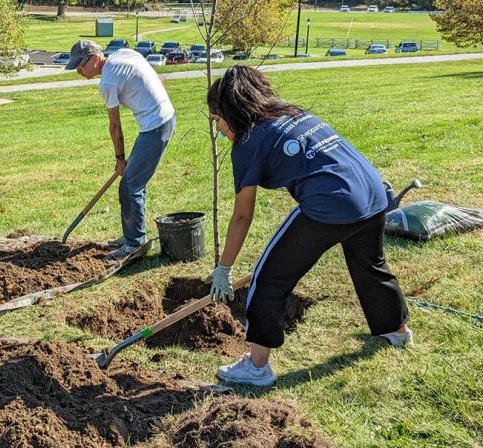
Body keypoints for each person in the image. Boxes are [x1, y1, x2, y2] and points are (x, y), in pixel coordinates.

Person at [206, 66, 412, 387]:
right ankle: (396, 331)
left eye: (216, 119)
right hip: (371, 190)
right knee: (370, 264)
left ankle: (257, 368)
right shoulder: (291, 113)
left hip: (333, 200)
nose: (218, 128)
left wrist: (224, 268)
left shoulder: (248, 142)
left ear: (231, 111)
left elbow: (243, 216)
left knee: (269, 277)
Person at [65, 40, 176, 259]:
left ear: (95, 58)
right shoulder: (124, 53)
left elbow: (115, 127)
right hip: (163, 119)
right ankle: (133, 235)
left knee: (130, 186)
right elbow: (158, 79)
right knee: (134, 184)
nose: (79, 71)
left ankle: (134, 244)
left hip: (156, 127)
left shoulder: (107, 82)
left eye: (80, 65)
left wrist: (120, 158)